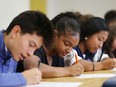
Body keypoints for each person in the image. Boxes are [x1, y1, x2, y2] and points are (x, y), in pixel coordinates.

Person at [22, 12, 84, 78]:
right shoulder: (39, 47)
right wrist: (68, 70)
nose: (69, 50)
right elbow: (31, 66)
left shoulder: (59, 55)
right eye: (67, 44)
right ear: (55, 35)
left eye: (73, 47)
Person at [0, 10, 54, 86]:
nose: (30, 54)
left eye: (35, 49)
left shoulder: (14, 51)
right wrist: (23, 78)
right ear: (15, 32)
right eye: (31, 45)